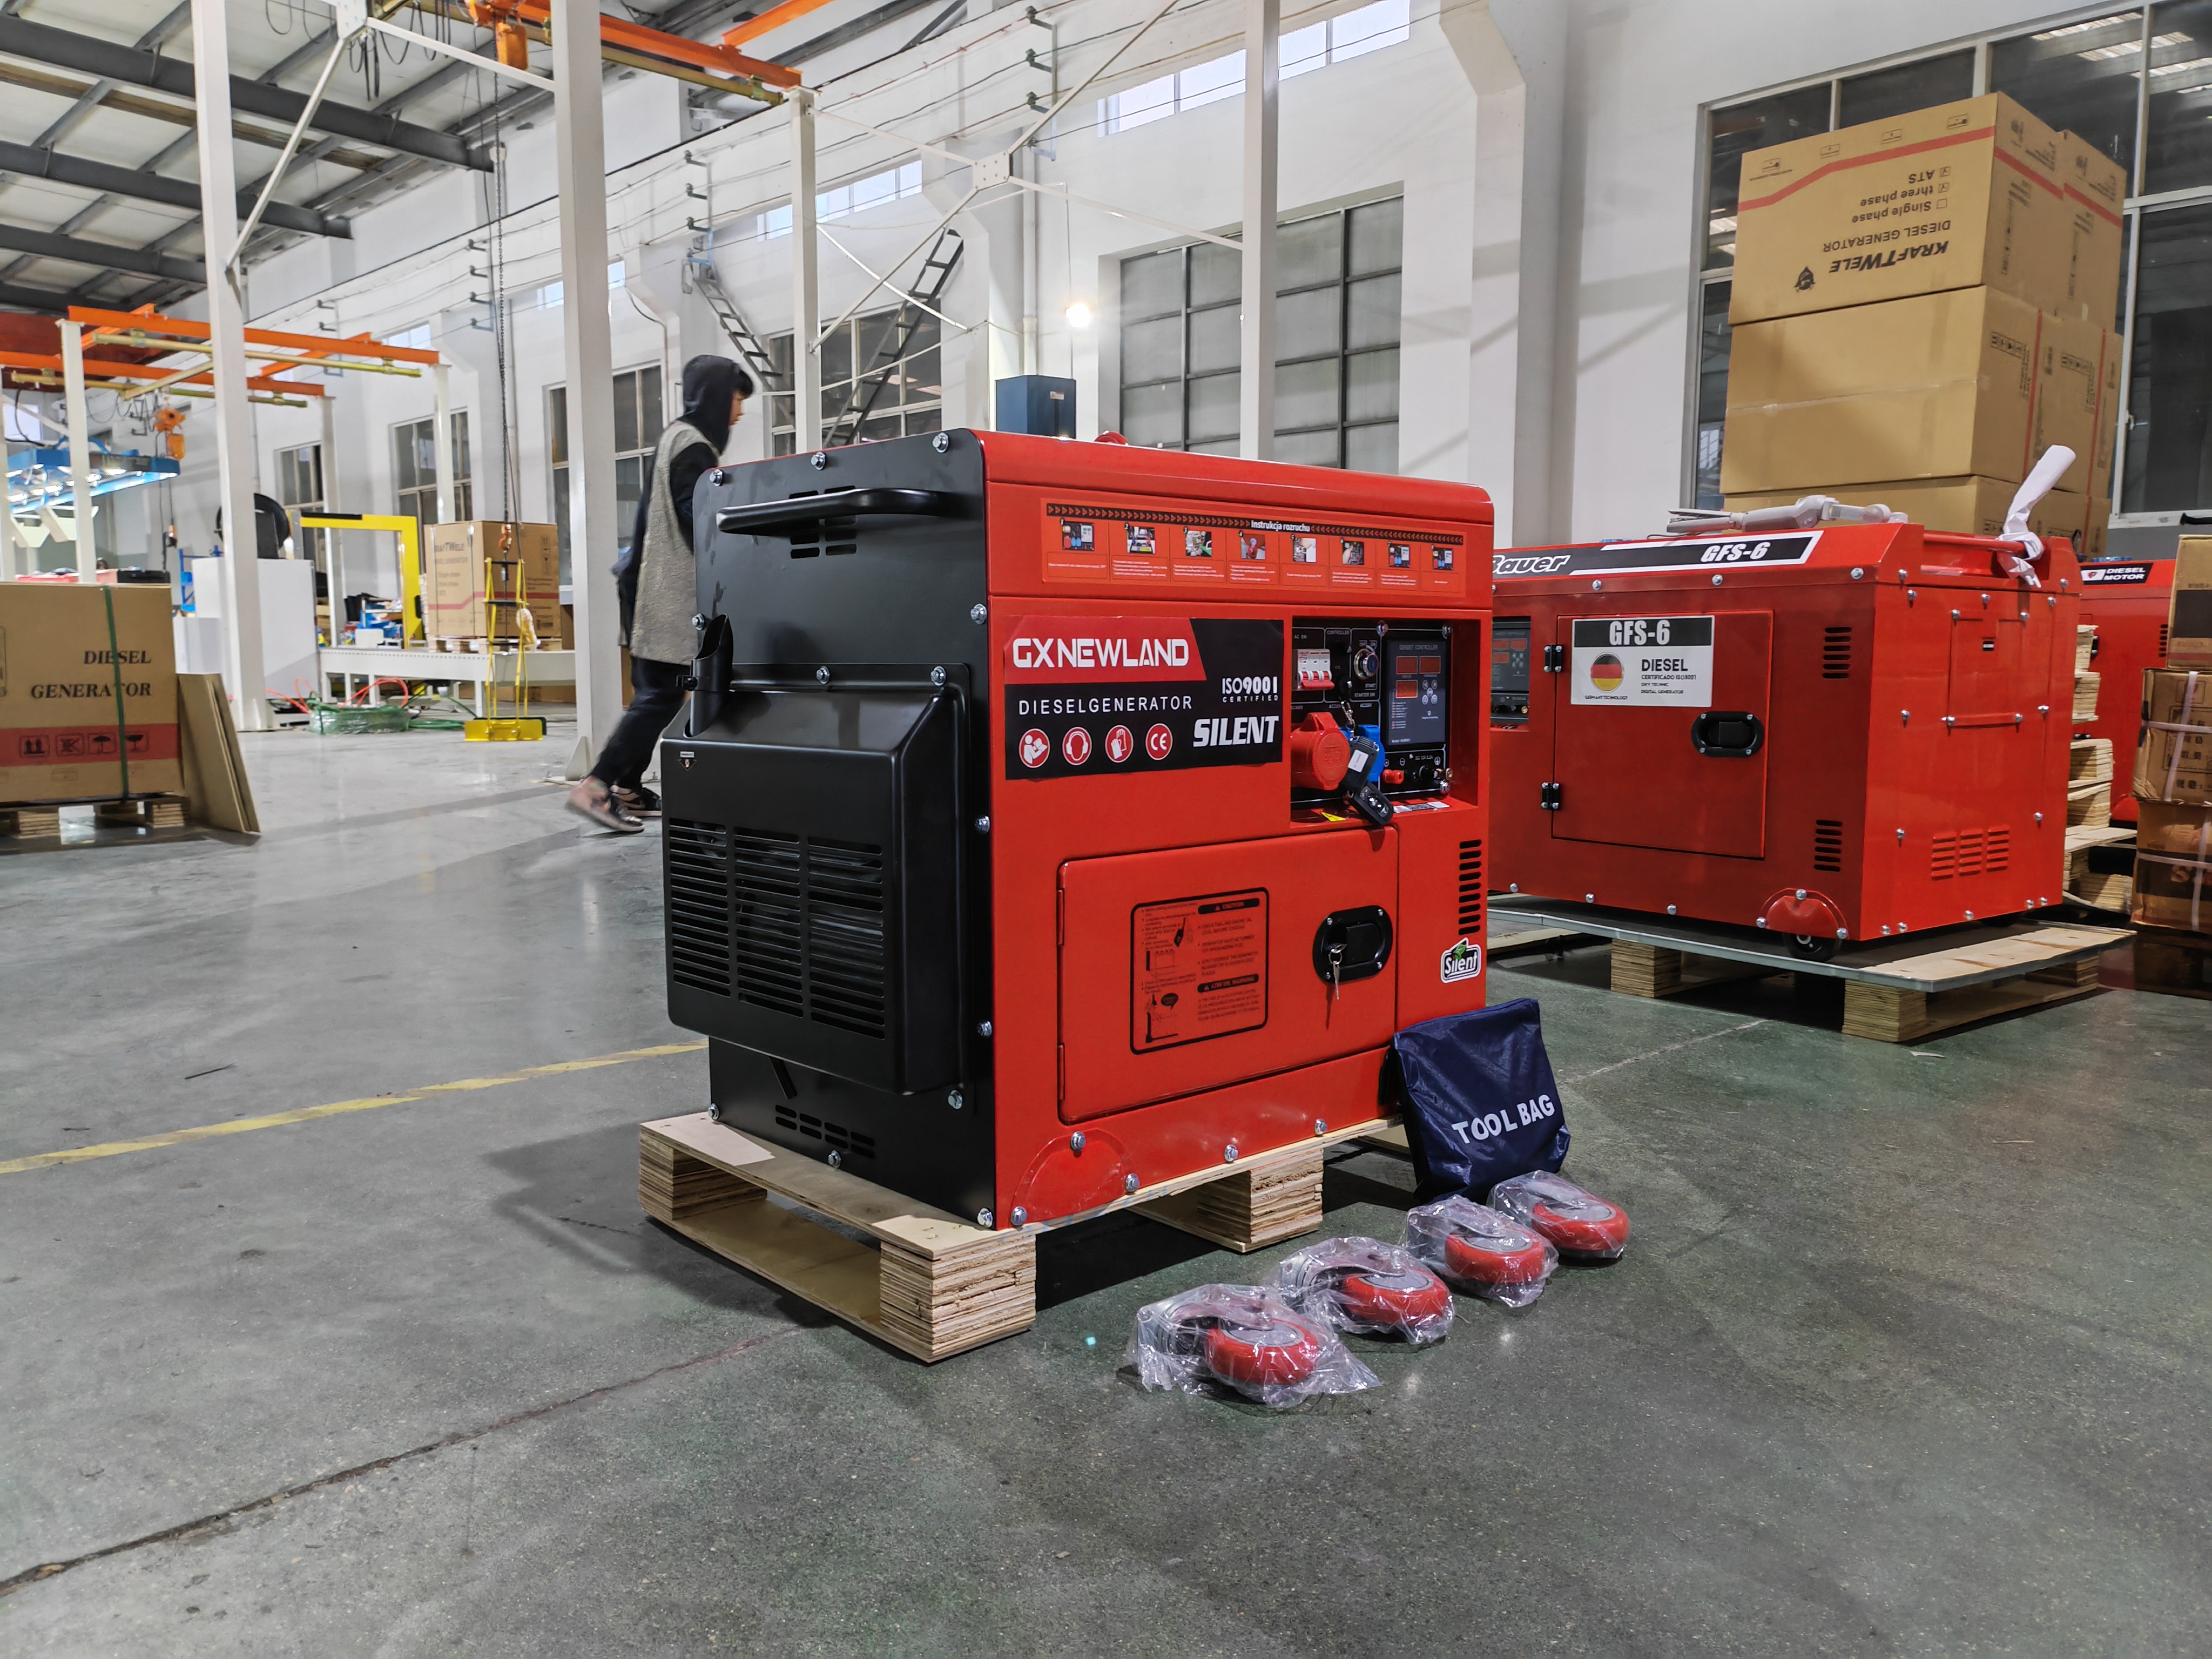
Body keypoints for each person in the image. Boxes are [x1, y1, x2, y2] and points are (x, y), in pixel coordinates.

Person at [567, 355, 752, 832]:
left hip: (643, 583)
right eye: (737, 398)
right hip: (662, 591)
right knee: (660, 695)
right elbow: (695, 515)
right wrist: (743, 522)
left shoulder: (677, 436)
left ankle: (628, 785)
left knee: (654, 692)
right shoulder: (694, 446)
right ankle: (597, 787)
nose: (740, 411)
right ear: (716, 396)